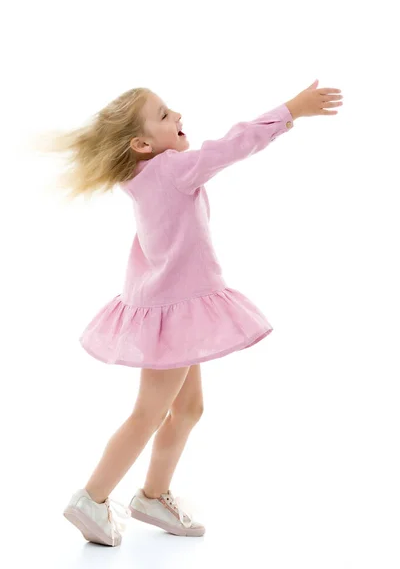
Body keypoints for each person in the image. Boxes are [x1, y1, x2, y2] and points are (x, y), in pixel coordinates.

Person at [39, 79, 343, 545]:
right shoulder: (173, 169)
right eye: (163, 115)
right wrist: (292, 110)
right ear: (142, 143)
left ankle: (153, 495)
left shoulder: (139, 175)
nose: (177, 115)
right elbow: (232, 146)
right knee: (148, 413)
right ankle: (92, 498)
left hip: (172, 306)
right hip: (172, 310)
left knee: (189, 408)